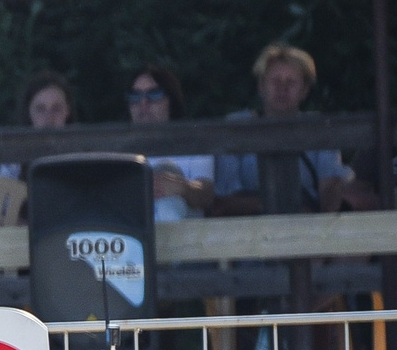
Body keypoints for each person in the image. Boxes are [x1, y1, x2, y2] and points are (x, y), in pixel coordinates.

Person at [212, 43, 377, 215]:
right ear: (261, 86)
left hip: (307, 223)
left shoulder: (320, 128)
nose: (282, 88)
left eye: (291, 82)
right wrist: (278, 206)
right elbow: (224, 200)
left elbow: (329, 187)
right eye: (275, 81)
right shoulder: (234, 127)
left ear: (304, 90)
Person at [122, 62, 216, 223]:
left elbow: (206, 196)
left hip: (186, 231)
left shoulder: (194, 142)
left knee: (166, 169)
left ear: (171, 100)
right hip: (133, 226)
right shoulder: (118, 147)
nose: (143, 104)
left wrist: (182, 188)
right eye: (135, 96)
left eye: (154, 95)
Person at [0, 70, 77, 179]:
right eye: (40, 109)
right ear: (29, 112)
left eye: (56, 109)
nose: (49, 118)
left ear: (67, 111)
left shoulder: (82, 156)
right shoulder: (13, 163)